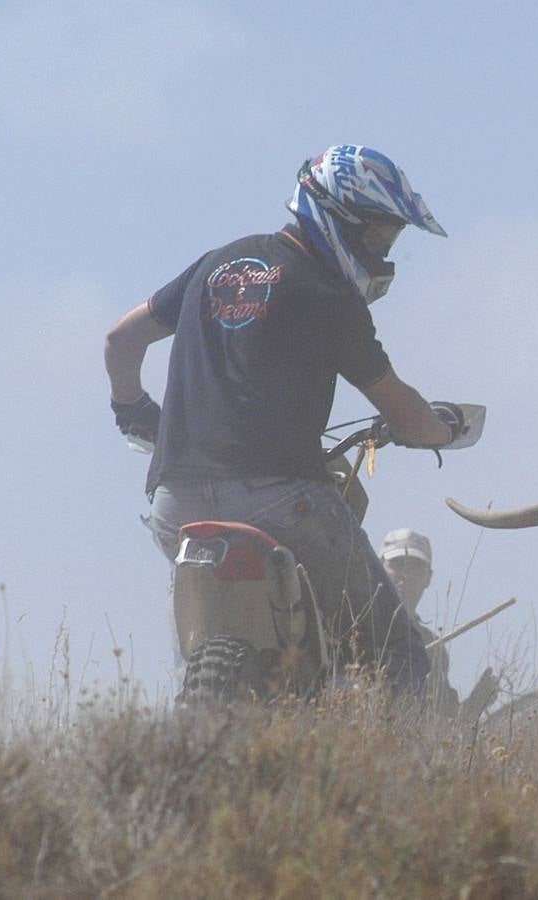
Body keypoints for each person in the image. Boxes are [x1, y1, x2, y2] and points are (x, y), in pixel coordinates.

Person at [104, 144, 463, 698]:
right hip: (282, 503)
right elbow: (405, 413)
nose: (381, 252)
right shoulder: (330, 295)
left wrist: (133, 411)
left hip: (174, 504)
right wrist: (444, 428)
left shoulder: (215, 265)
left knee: (195, 652)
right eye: (376, 236)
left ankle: (202, 712)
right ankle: (410, 779)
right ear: (334, 216)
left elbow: (120, 339)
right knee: (399, 654)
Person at [381, 528, 500, 719]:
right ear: (380, 569)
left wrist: (476, 702)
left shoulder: (434, 649)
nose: (405, 574)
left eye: (415, 567)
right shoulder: (354, 629)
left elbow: (445, 727)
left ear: (428, 577)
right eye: (397, 564)